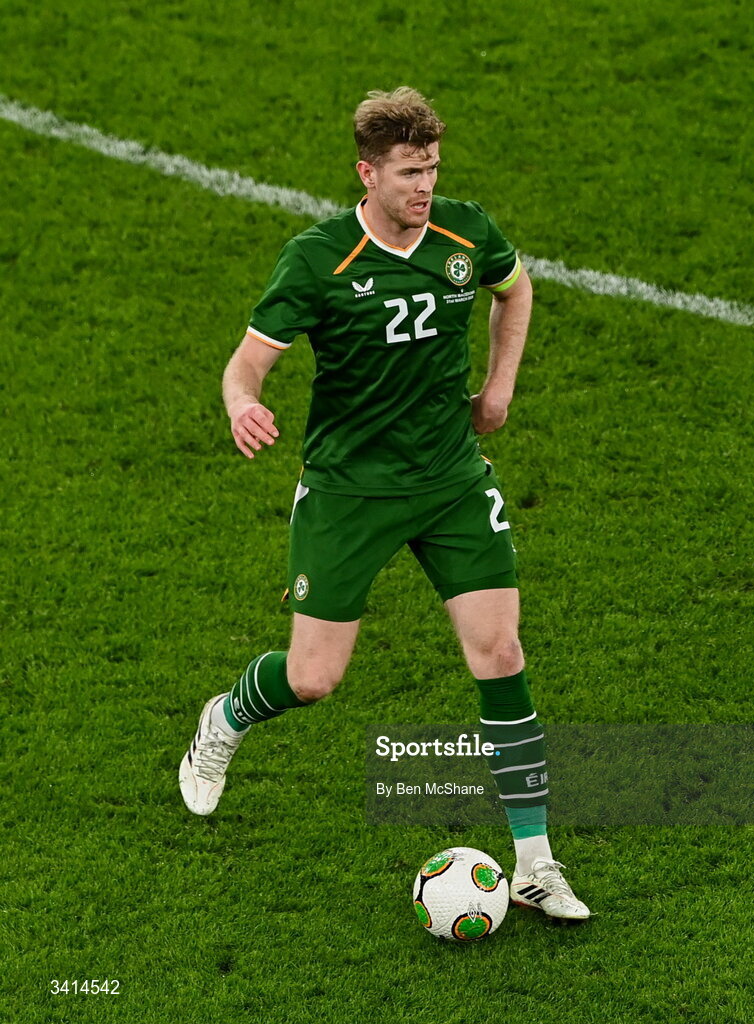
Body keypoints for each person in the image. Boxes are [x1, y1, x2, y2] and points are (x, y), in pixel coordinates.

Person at [179, 87, 589, 921]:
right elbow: (245, 364)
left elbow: (516, 290)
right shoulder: (317, 260)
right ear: (366, 172)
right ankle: (225, 717)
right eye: (408, 172)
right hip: (348, 491)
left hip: (448, 479)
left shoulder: (465, 231)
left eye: (431, 168)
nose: (424, 187)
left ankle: (537, 863)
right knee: (314, 678)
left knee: (500, 653)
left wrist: (499, 388)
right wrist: (239, 406)